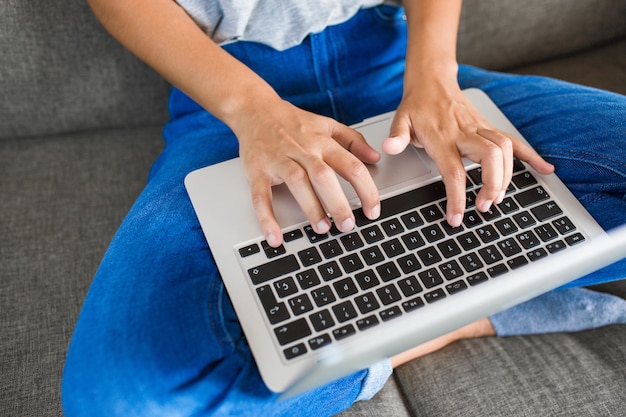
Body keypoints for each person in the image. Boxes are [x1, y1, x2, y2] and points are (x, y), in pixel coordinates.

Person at [62, 0, 626, 415]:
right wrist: (253, 110)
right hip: (226, 100)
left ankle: (447, 299)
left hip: (393, 66)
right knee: (115, 403)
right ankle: (461, 318)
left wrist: (434, 76)